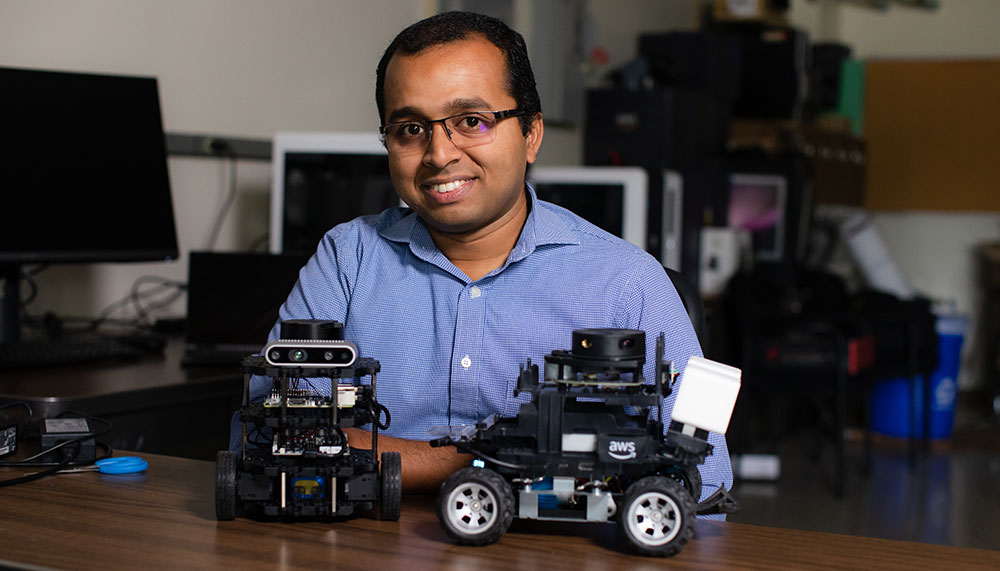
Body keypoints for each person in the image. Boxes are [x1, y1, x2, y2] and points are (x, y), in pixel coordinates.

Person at [233, 11, 733, 516]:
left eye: (471, 121)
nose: (439, 155)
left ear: (531, 134)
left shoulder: (626, 281)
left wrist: (377, 453)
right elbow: (266, 438)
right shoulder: (349, 258)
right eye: (410, 129)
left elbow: (703, 479)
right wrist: (482, 462)